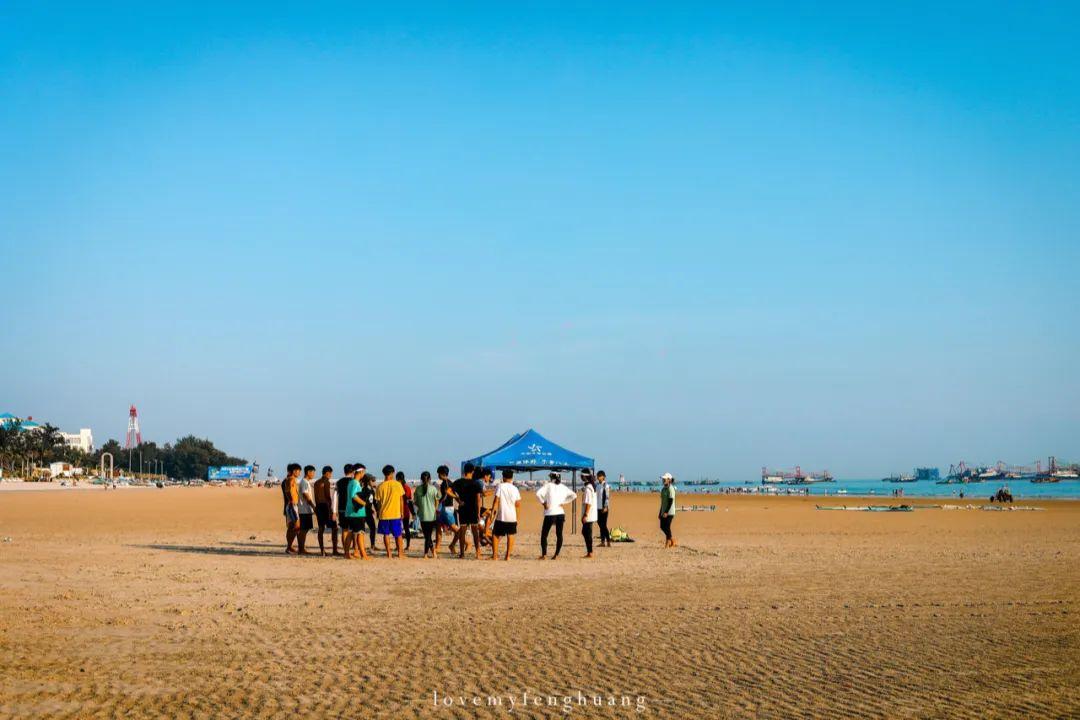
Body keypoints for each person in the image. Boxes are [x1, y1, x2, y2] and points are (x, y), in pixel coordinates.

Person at [535, 471, 576, 560]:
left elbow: (538, 494)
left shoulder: (548, 485)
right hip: (560, 513)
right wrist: (564, 502)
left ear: (551, 477)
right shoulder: (563, 487)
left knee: (544, 534)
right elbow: (574, 495)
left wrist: (544, 503)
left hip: (550, 513)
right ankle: (556, 555)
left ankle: (544, 555)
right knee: (559, 534)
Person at [452, 463, 486, 559]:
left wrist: (458, 499)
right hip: (473, 509)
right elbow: (478, 499)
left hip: (462, 508)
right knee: (475, 531)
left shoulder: (459, 482)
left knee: (462, 531)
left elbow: (448, 491)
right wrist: (479, 512)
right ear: (472, 471)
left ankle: (462, 553)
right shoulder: (475, 483)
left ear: (464, 471)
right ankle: (478, 553)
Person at [489, 469, 521, 561]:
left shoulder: (500, 486)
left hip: (501, 515)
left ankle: (495, 556)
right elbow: (518, 505)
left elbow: (496, 501)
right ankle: (507, 556)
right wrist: (517, 518)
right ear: (512, 478)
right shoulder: (515, 489)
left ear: (503, 477)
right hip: (512, 516)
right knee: (511, 535)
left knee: (495, 535)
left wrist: (492, 513)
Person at [375, 464, 405, 559]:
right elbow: (401, 500)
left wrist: (378, 512)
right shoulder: (398, 484)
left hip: (384, 514)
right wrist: (402, 512)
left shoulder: (380, 486)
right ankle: (400, 553)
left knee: (386, 534)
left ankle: (389, 553)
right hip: (395, 513)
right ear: (392, 473)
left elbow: (378, 503)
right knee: (398, 534)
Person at [342, 465, 370, 560]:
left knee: (350, 533)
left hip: (350, 512)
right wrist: (364, 503)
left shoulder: (350, 482)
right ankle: (363, 554)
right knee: (360, 533)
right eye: (364, 472)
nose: (364, 474)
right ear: (361, 472)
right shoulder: (355, 483)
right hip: (356, 513)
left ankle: (346, 553)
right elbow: (354, 496)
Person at [313, 465, 340, 556]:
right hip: (326, 507)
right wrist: (332, 511)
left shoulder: (316, 483)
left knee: (321, 529)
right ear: (327, 473)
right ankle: (335, 550)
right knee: (334, 528)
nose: (331, 475)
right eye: (330, 473)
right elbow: (328, 497)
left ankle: (322, 551)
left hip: (319, 507)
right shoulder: (326, 482)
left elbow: (316, 497)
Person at [414, 471, 440, 558]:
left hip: (422, 515)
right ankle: (430, 553)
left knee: (427, 535)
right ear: (430, 479)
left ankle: (429, 553)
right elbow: (437, 500)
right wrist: (435, 509)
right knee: (428, 535)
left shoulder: (418, 489)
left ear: (421, 479)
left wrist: (421, 506)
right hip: (432, 515)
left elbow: (416, 502)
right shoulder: (433, 489)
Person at [436, 465, 460, 556]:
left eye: (438, 473)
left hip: (446, 508)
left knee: (457, 530)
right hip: (446, 508)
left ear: (442, 474)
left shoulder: (445, 483)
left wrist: (438, 502)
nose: (438, 475)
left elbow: (446, 495)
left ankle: (454, 545)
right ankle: (437, 547)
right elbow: (455, 494)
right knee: (438, 526)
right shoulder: (450, 482)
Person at [296, 465, 317, 555]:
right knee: (304, 530)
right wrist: (313, 506)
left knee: (305, 529)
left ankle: (302, 548)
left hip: (306, 509)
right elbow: (306, 495)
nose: (314, 474)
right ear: (308, 472)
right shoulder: (304, 482)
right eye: (313, 472)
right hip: (304, 509)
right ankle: (301, 549)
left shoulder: (305, 482)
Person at [280, 463, 301, 554]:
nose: (299, 473)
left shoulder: (286, 480)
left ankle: (289, 546)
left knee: (291, 527)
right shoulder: (291, 479)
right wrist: (292, 501)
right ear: (293, 471)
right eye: (298, 471)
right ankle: (289, 547)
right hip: (292, 506)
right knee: (296, 527)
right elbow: (288, 491)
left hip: (289, 506)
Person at [358, 467, 378, 551]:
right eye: (372, 481)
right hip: (363, 513)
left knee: (370, 528)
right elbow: (367, 502)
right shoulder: (365, 490)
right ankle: (364, 546)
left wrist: (376, 510)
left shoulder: (370, 490)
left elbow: (373, 502)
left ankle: (372, 545)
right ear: (368, 481)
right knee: (363, 530)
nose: (373, 482)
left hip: (367, 512)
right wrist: (375, 510)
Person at [581, 470, 597, 558]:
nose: (581, 477)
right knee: (586, 532)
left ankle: (590, 552)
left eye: (582, 476)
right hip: (591, 514)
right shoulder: (591, 486)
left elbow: (588, 503)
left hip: (589, 515)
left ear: (585, 477)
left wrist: (585, 515)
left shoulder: (588, 488)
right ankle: (590, 552)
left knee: (586, 533)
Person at [397, 471, 415, 551]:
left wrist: (413, 512)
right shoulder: (404, 487)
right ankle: (399, 545)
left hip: (404, 510)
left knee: (405, 528)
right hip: (400, 510)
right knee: (399, 528)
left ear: (399, 479)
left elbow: (408, 500)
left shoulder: (405, 487)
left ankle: (407, 545)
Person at [659, 472, 677, 548]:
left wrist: (666, 512)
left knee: (667, 526)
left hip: (670, 512)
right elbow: (662, 502)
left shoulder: (671, 489)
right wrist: (660, 512)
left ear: (669, 480)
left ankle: (668, 542)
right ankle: (672, 540)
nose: (663, 480)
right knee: (662, 526)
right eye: (662, 479)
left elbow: (670, 501)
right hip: (663, 511)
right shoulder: (663, 489)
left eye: (664, 479)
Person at [596, 470, 612, 547]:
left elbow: (607, 497)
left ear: (603, 477)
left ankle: (608, 541)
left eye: (599, 476)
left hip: (604, 508)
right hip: (598, 507)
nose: (598, 477)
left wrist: (606, 506)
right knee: (599, 523)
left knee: (603, 525)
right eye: (597, 476)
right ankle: (602, 542)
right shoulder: (597, 486)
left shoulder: (606, 486)